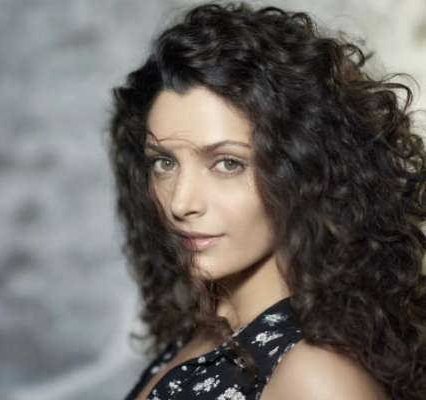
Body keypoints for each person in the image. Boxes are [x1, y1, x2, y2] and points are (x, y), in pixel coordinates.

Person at [106, 2, 426, 399]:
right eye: (164, 162)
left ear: (302, 171)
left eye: (227, 163)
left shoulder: (316, 379)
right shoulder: (209, 330)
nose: (180, 202)